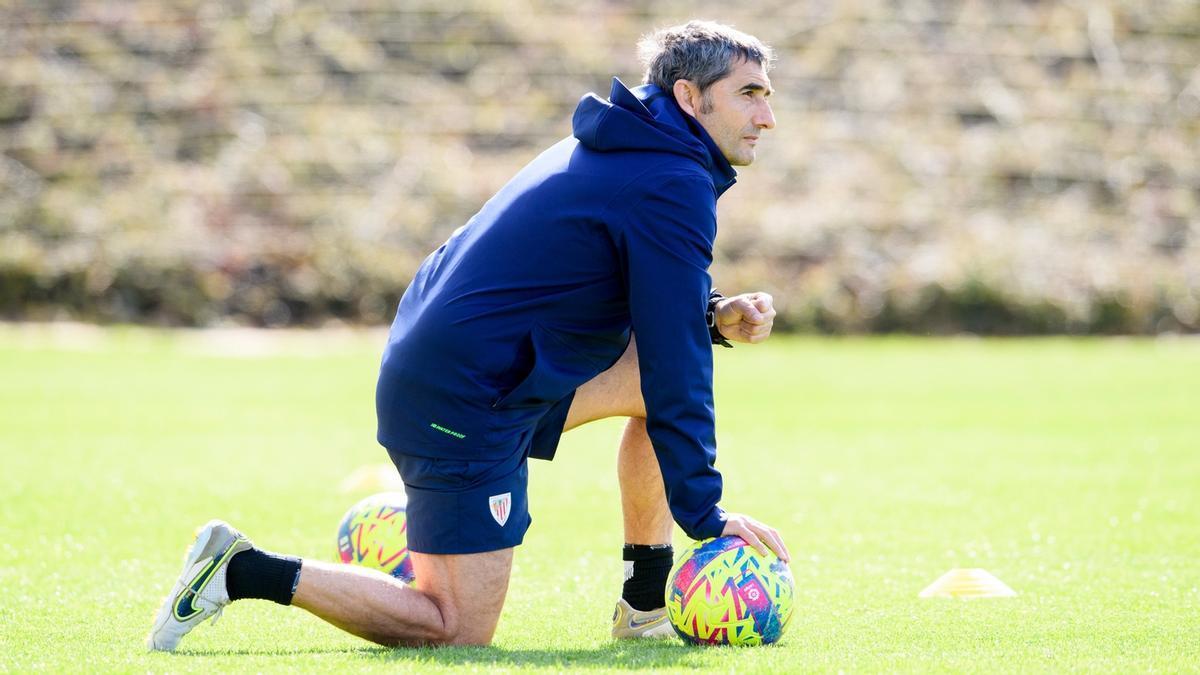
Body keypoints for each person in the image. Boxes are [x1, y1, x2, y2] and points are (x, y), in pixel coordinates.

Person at [148, 20, 789, 650]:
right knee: (452, 627)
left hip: (479, 372)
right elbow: (677, 368)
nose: (766, 117)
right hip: (464, 400)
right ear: (686, 96)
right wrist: (707, 515)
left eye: (766, 96)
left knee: (651, 387)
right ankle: (238, 569)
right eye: (748, 94)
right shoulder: (670, 178)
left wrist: (708, 313)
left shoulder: (636, 148)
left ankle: (644, 603)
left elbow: (638, 305)